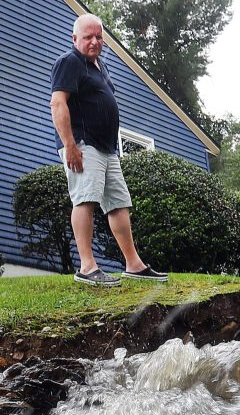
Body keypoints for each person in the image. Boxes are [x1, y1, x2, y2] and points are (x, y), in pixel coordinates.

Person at [49, 14, 168, 288]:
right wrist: (70, 145)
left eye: (98, 37)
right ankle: (87, 267)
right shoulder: (69, 62)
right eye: (88, 37)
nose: (94, 41)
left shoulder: (98, 66)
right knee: (85, 199)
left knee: (118, 203)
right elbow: (58, 104)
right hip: (82, 144)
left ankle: (134, 265)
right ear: (75, 38)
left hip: (106, 148)